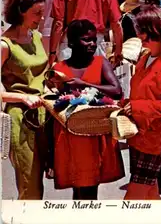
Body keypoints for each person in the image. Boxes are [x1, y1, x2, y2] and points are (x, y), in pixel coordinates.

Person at [50, 19, 125, 200]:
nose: (92, 44)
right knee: (77, 188)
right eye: (86, 40)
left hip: (94, 136)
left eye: (94, 40)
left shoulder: (100, 63)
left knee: (90, 189)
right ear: (73, 42)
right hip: (68, 138)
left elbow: (116, 90)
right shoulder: (59, 69)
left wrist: (83, 83)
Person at [123, 5, 161, 200]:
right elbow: (142, 94)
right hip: (138, 136)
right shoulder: (145, 58)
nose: (137, 33)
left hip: (155, 140)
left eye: (141, 30)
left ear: (153, 31)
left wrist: (137, 107)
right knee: (149, 192)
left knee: (134, 196)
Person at [1, 0, 48, 199]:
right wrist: (22, 97)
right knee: (30, 186)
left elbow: (40, 73)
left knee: (41, 181)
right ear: (21, 10)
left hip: (44, 114)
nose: (41, 17)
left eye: (43, 12)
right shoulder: (5, 45)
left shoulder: (35, 36)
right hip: (20, 118)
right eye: (37, 13)